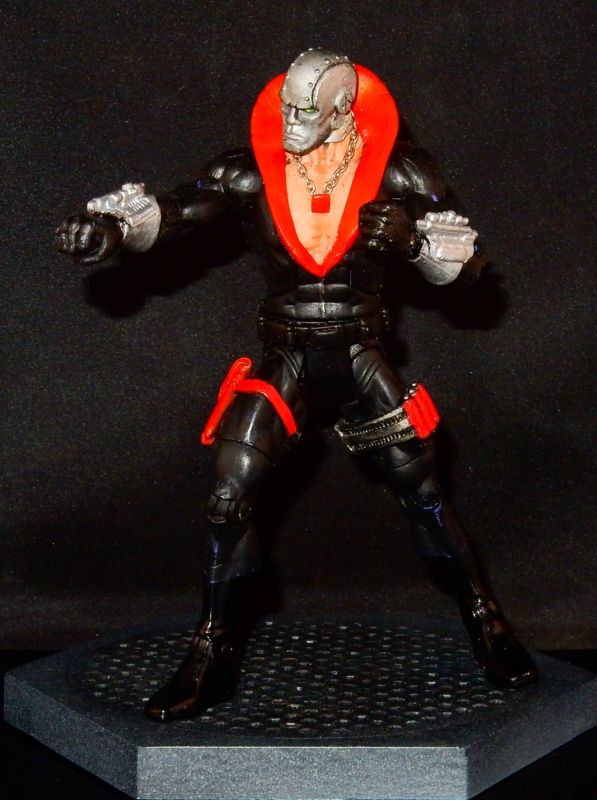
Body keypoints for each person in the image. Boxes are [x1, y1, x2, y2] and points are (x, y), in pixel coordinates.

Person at [55, 48, 537, 722]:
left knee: (424, 495)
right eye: (285, 108)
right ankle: (212, 648)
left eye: (306, 113)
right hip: (286, 352)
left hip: (361, 351)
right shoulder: (251, 169)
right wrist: (110, 229)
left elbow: (469, 268)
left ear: (342, 111)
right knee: (227, 495)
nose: (289, 123)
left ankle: (485, 617)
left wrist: (412, 244)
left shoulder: (399, 169)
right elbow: (180, 209)